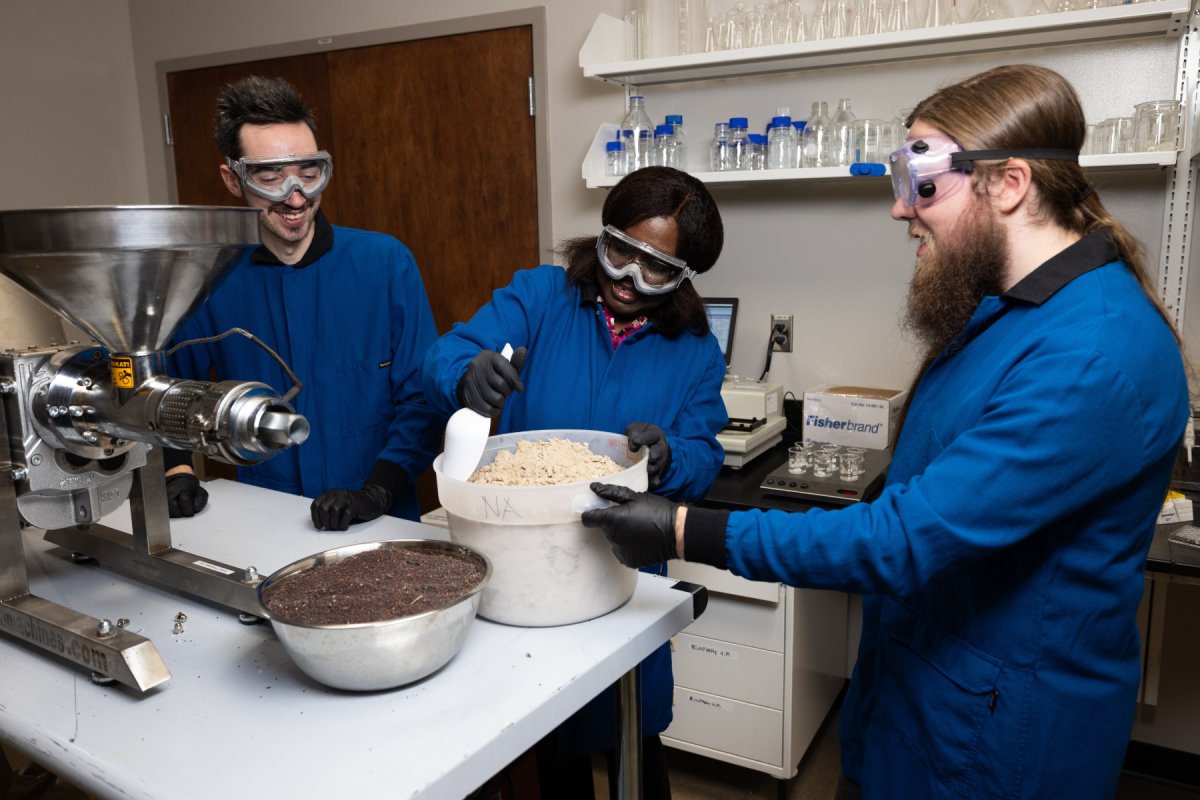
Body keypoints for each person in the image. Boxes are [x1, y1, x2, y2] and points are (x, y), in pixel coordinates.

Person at [582, 66, 1190, 800]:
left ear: (1010, 183)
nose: (902, 209)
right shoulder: (1009, 313)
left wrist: (685, 530)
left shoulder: (1094, 353)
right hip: (919, 694)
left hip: (997, 743)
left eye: (922, 180)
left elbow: (901, 541)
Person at [421, 166, 728, 798]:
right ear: (603, 235)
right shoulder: (540, 296)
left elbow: (705, 450)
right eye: (620, 253)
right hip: (527, 563)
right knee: (547, 739)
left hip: (624, 570)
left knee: (633, 737)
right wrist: (466, 374)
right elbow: (447, 350)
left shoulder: (695, 349)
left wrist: (672, 458)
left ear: (684, 278)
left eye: (657, 271)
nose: (627, 281)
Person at [164, 76, 445, 529]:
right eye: (271, 176)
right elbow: (173, 393)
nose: (295, 197)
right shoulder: (208, 279)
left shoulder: (385, 263)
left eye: (309, 174)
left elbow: (423, 398)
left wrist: (378, 490)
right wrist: (176, 471)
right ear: (232, 179)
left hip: (381, 520)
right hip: (262, 520)